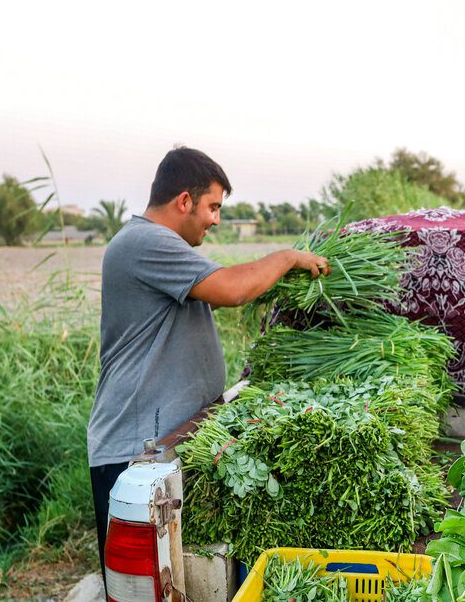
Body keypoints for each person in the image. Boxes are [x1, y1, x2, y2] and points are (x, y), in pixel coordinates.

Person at [87, 147, 330, 577]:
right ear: (184, 201)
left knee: (183, 573)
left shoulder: (162, 246)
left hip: (163, 444)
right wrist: (289, 258)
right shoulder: (146, 241)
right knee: (142, 585)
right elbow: (231, 289)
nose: (216, 219)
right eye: (213, 206)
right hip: (134, 452)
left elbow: (213, 296)